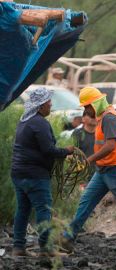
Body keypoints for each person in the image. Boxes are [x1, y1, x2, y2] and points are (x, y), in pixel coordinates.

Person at [61, 87, 116, 254]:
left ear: (94, 104)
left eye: (87, 107)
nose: (85, 111)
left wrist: (88, 160)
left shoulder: (109, 118)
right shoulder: (104, 117)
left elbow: (110, 145)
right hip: (104, 169)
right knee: (85, 203)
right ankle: (67, 238)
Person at [11, 87, 74, 257]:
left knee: (22, 210)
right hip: (35, 175)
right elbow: (48, 150)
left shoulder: (24, 121)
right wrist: (67, 151)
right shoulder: (40, 123)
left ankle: (18, 248)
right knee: (43, 210)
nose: (50, 105)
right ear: (40, 106)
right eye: (48, 102)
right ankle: (46, 249)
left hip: (19, 173)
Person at [71, 110, 97, 178]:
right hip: (83, 174)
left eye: (96, 115)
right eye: (91, 116)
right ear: (83, 119)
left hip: (99, 173)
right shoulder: (77, 133)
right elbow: (72, 154)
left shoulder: (101, 133)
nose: (94, 118)